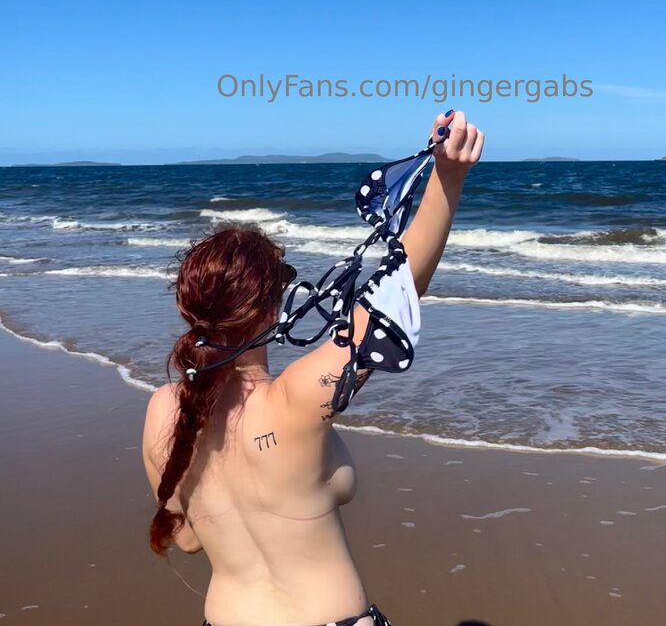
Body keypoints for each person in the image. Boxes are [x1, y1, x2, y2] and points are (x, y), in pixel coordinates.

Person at [142, 110, 484, 626]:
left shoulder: (163, 410)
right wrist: (447, 177)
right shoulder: (295, 399)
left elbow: (187, 539)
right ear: (270, 307)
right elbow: (399, 292)